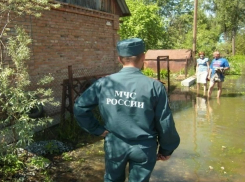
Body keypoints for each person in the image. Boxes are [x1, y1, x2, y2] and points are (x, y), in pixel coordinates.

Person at [73, 38, 180, 182]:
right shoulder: (154, 86)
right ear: (143, 57)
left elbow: (80, 107)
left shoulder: (104, 83)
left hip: (115, 144)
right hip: (144, 147)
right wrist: (166, 149)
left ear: (119, 59)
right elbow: (165, 122)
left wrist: (97, 129)